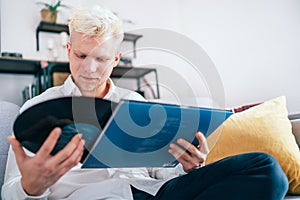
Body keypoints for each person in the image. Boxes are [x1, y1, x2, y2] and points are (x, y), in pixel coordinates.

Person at [2, 6, 288, 200]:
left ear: (115, 60)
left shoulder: (135, 103)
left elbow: (161, 172)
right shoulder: (38, 110)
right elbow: (10, 191)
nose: (89, 68)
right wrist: (31, 187)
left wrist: (187, 167)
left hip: (154, 193)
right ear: (68, 49)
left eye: (101, 58)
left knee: (266, 170)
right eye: (80, 56)